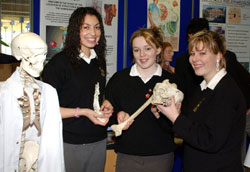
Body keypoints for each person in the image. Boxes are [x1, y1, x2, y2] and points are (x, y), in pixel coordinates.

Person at [153, 30, 246, 172]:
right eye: (192, 53)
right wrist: (164, 114)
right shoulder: (202, 89)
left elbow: (211, 140)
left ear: (218, 56)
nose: (195, 59)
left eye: (202, 53)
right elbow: (193, 128)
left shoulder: (226, 92)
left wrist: (176, 117)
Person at [42, 7, 113, 172]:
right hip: (69, 143)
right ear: (76, 30)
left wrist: (105, 105)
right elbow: (47, 109)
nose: (93, 32)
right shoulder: (59, 64)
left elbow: (93, 96)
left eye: (97, 27)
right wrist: (83, 112)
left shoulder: (98, 61)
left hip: (98, 140)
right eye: (86, 27)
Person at [105, 27, 176, 172]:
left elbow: (177, 123)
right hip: (127, 156)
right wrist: (118, 115)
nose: (142, 55)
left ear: (158, 49)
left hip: (160, 157)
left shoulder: (170, 82)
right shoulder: (119, 80)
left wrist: (160, 114)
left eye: (147, 48)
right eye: (137, 50)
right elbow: (109, 113)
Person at [0, 32, 65, 171]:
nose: (40, 62)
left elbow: (53, 141)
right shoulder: (4, 93)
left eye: (43, 55)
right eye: (35, 56)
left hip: (39, 161)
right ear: (19, 56)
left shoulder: (49, 92)